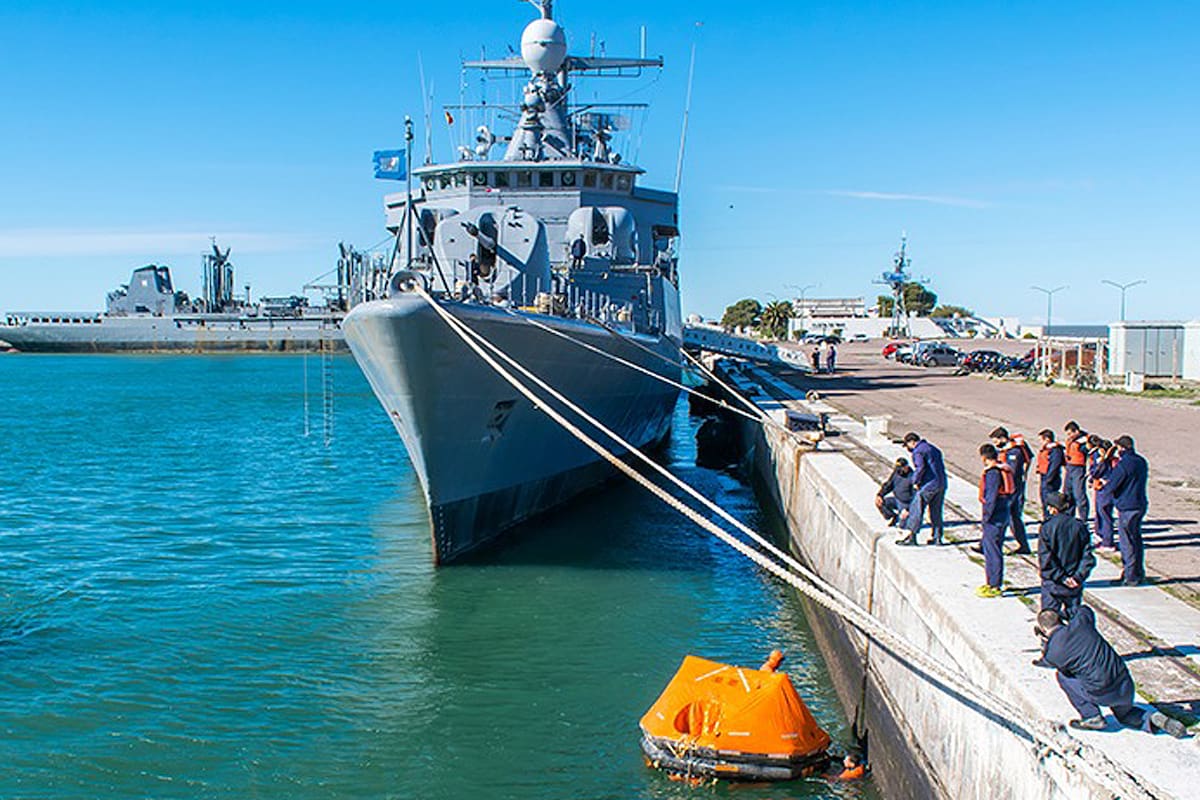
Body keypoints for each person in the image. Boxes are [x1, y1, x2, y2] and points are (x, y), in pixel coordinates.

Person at [1035, 607, 1186, 737]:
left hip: (1101, 692)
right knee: (1125, 715)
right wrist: (1064, 614)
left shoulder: (1054, 652)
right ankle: (1151, 719)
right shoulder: (1082, 624)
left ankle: (1092, 716)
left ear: (1043, 629)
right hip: (1124, 684)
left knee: (1062, 676)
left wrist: (1045, 643)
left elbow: (1048, 662)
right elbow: (1083, 609)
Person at [1038, 492, 1095, 620]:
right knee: (1074, 620)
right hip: (1074, 584)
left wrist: (1062, 577)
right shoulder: (1079, 526)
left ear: (1053, 509)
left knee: (1049, 620)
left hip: (1053, 583)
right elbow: (1087, 556)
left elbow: (1046, 558)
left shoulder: (1047, 527)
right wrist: (1077, 577)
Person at [1102, 435, 1149, 586]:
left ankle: (1130, 575)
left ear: (1121, 448)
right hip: (1139, 503)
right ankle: (1138, 571)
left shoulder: (1124, 465)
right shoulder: (1141, 461)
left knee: (1126, 541)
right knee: (1136, 539)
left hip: (1126, 505)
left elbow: (1113, 485)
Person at [976, 444, 1015, 598]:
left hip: (994, 515)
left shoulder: (993, 473)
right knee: (993, 548)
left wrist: (986, 517)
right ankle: (992, 582)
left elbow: (991, 497)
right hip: (1003, 510)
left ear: (984, 457)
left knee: (992, 550)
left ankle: (994, 585)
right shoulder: (1003, 469)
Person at [896, 432, 948, 546]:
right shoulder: (934, 449)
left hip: (929, 485)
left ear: (912, 442)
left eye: (907, 445)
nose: (908, 449)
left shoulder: (918, 451)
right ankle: (937, 537)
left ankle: (912, 537)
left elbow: (920, 468)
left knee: (916, 509)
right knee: (936, 511)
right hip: (941, 483)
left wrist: (915, 481)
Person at [991, 427, 1033, 554]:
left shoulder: (1014, 452)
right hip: (1010, 488)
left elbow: (1012, 472)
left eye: (996, 441)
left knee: (1004, 516)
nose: (996, 444)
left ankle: (992, 544)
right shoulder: (1007, 451)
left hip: (1012, 489)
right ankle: (1023, 545)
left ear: (1002, 438)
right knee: (1014, 518)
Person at [1088, 436, 1117, 551]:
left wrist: (1100, 463)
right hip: (1101, 488)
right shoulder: (1110, 460)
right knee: (1100, 512)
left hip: (1105, 489)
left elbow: (1096, 472)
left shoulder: (1106, 462)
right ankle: (1100, 534)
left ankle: (1108, 542)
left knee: (1105, 514)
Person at [1063, 421, 1090, 523]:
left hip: (1078, 468)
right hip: (1069, 467)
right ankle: (1069, 516)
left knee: (1079, 494)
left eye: (1070, 433)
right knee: (1067, 493)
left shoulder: (1084, 442)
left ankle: (1083, 518)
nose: (1069, 436)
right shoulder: (1071, 440)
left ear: (1077, 431)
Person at [876, 458, 915, 527]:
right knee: (881, 503)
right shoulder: (896, 473)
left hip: (906, 504)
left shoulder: (913, 478)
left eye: (901, 468)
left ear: (906, 467)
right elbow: (889, 484)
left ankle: (904, 521)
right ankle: (893, 516)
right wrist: (880, 494)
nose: (899, 471)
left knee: (903, 526)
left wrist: (908, 509)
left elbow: (916, 497)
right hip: (896, 499)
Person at [1036, 429, 1065, 521]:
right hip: (1044, 476)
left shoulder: (1055, 450)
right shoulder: (1047, 449)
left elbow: (1054, 465)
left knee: (1050, 501)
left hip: (1051, 479)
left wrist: (1049, 479)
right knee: (1044, 499)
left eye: (1042, 440)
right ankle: (1046, 518)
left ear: (1047, 439)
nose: (1041, 442)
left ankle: (1050, 519)